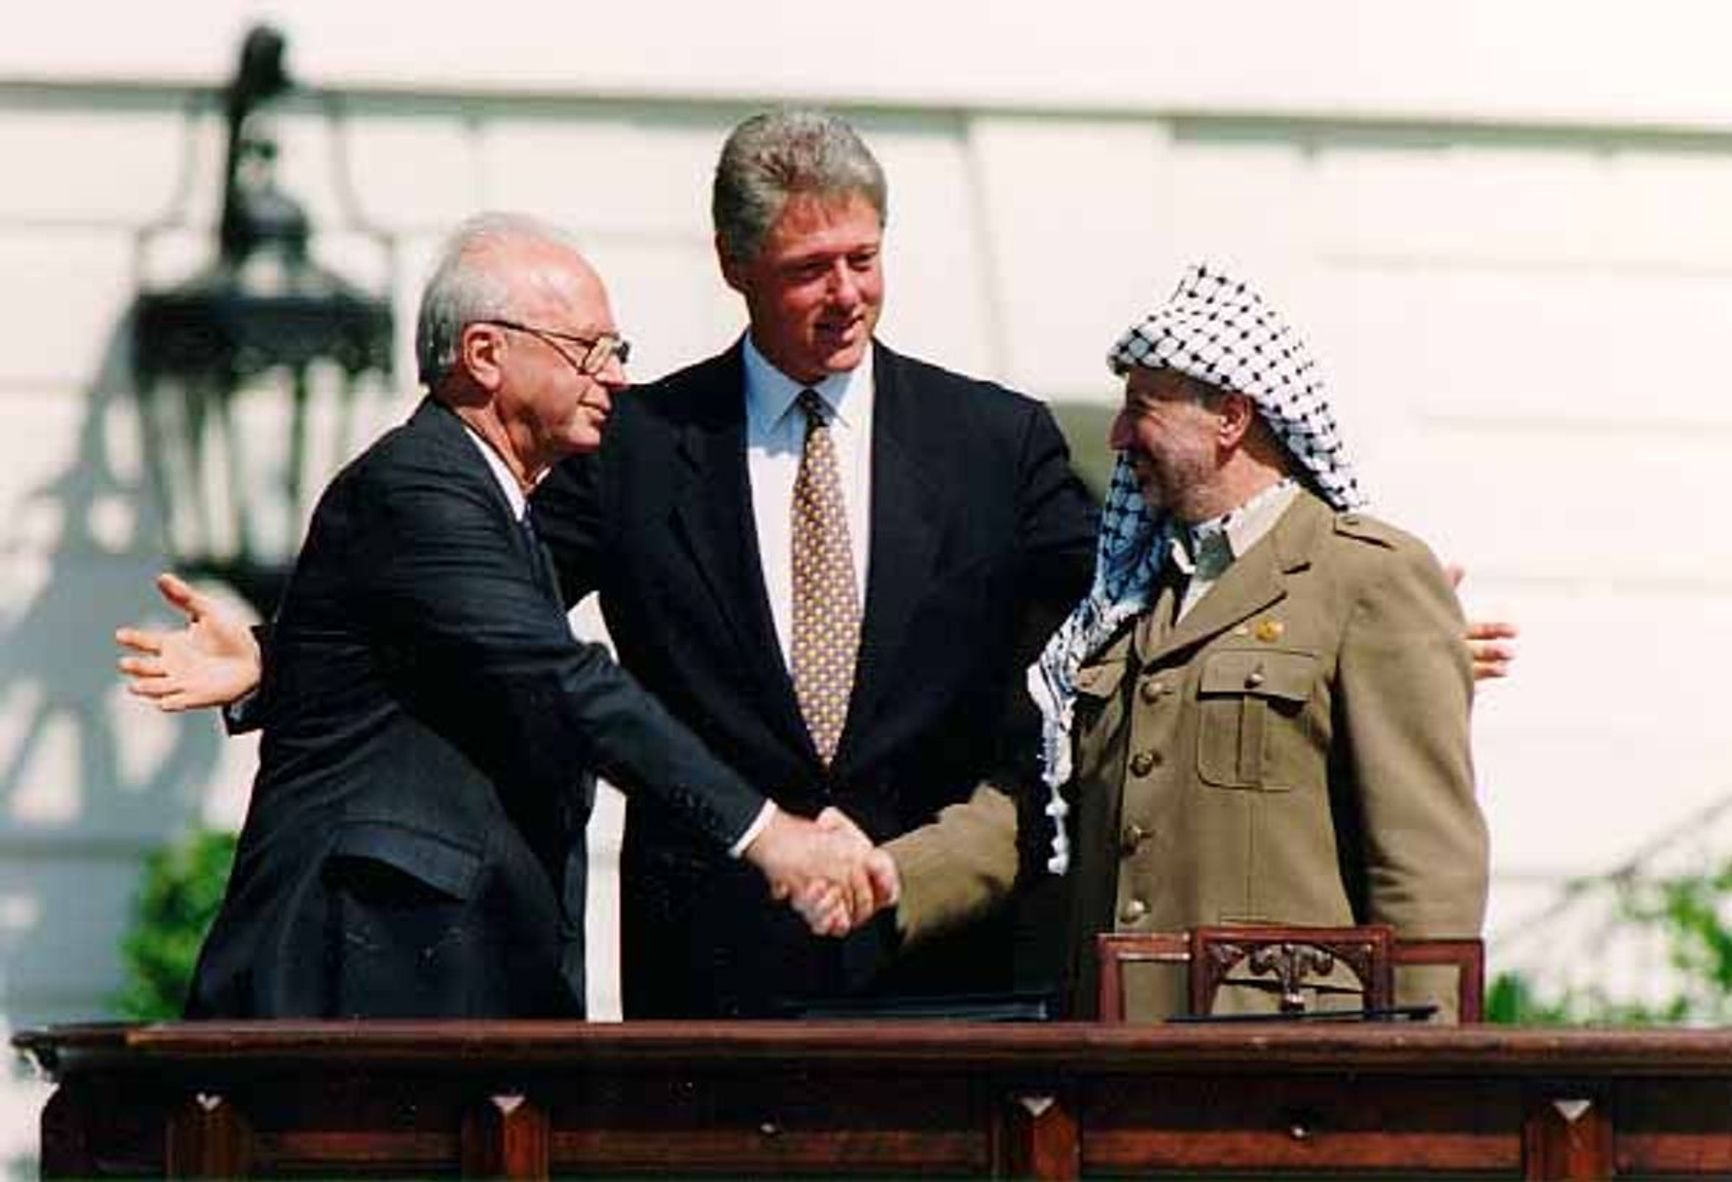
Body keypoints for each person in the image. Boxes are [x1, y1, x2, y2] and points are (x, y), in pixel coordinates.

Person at [123, 113, 1515, 1018]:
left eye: (863, 258)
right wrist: (287, 647)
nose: (844, 292)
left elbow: (1137, 593)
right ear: (738, 267)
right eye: (808, 269)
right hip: (710, 981)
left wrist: (1353, 605)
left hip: (946, 966)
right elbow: (487, 618)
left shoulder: (997, 439)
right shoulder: (640, 441)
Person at [131, 213, 885, 1019]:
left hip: (456, 986)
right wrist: (768, 835)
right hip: (364, 988)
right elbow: (558, 679)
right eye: (588, 350)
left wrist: (273, 656)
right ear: (486, 355)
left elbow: (427, 647)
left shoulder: (499, 505)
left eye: (617, 352)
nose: (617, 378)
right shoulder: (420, 486)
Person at [888, 263, 1490, 1021]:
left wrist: (1422, 1080)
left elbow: (1426, 868)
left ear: (1231, 418)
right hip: (1109, 1059)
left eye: (1141, 408)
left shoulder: (1367, 577)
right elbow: (1043, 806)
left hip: (1286, 1071)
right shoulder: (1123, 601)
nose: (1115, 436)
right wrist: (885, 881)